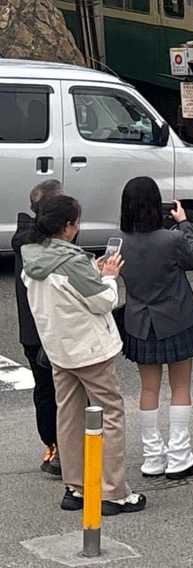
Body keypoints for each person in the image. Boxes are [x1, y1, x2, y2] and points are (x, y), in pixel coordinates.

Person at [20, 193, 146, 515]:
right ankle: (113, 492)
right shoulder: (71, 262)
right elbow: (104, 301)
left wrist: (93, 270)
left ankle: (75, 486)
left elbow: (67, 290)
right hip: (90, 351)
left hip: (58, 348)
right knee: (110, 414)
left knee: (69, 416)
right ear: (67, 226)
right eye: (76, 221)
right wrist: (109, 276)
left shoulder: (32, 255)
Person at [118, 177, 193, 479]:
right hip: (175, 318)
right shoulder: (171, 239)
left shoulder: (119, 241)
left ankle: (152, 456)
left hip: (139, 321)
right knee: (180, 387)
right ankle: (180, 455)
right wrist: (184, 223)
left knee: (148, 388)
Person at [13, 179, 63, 477]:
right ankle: (68, 447)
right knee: (66, 392)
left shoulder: (24, 239)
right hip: (53, 330)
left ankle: (52, 445)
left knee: (44, 391)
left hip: (31, 332)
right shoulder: (47, 247)